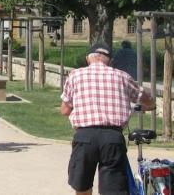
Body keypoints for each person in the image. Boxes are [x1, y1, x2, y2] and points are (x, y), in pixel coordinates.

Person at [60, 43, 155, 195]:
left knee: (82, 186)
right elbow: (147, 99)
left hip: (85, 137)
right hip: (113, 138)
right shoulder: (123, 76)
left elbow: (65, 110)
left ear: (87, 59)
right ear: (110, 61)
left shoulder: (75, 75)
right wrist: (147, 105)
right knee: (113, 190)